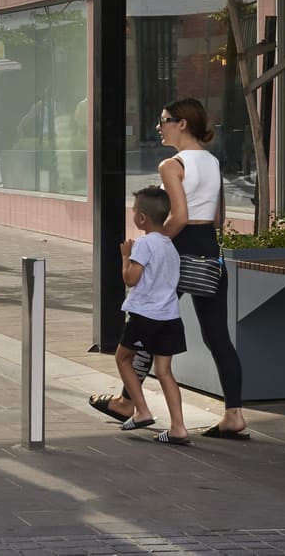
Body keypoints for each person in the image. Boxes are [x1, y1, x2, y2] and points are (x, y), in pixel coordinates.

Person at [158, 97, 249, 439]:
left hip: (180, 249)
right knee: (218, 337)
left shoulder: (172, 165)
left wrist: (155, 243)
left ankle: (128, 401)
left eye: (164, 120)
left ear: (181, 123)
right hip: (209, 250)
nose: (159, 127)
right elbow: (219, 218)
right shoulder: (212, 161)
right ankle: (234, 414)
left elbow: (179, 217)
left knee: (144, 319)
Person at [91, 186, 191, 444]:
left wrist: (125, 257)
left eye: (134, 210)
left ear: (142, 218)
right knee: (165, 371)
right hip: (170, 317)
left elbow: (131, 279)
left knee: (123, 358)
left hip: (145, 316)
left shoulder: (145, 244)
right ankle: (179, 427)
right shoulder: (170, 246)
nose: (133, 214)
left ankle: (142, 410)